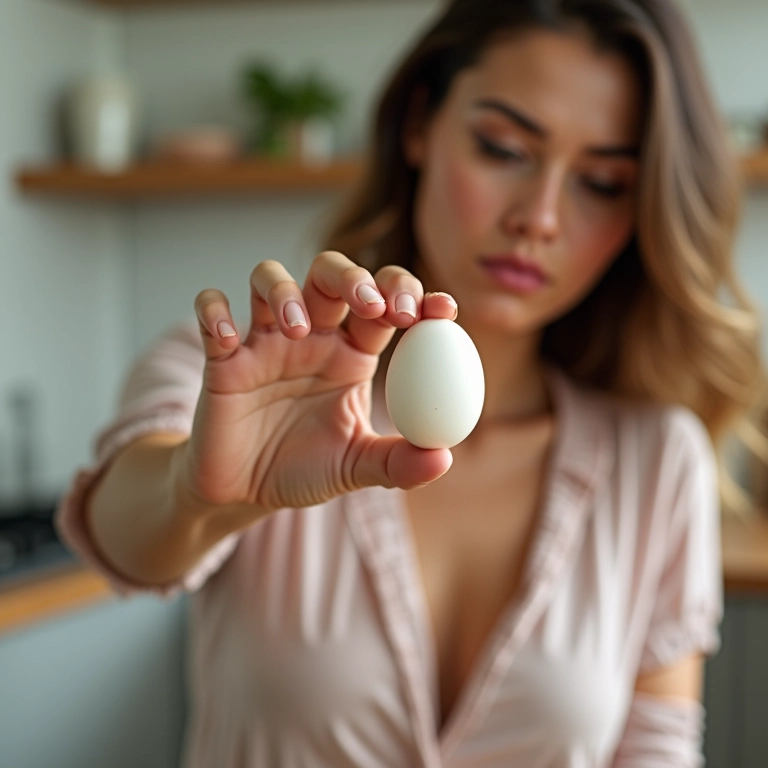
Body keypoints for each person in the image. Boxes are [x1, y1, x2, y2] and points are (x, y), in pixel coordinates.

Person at [56, 0, 764, 766]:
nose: (541, 217)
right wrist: (203, 494)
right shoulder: (240, 386)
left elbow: (656, 749)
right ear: (420, 123)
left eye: (601, 182)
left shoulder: (658, 458)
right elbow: (123, 540)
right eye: (502, 147)